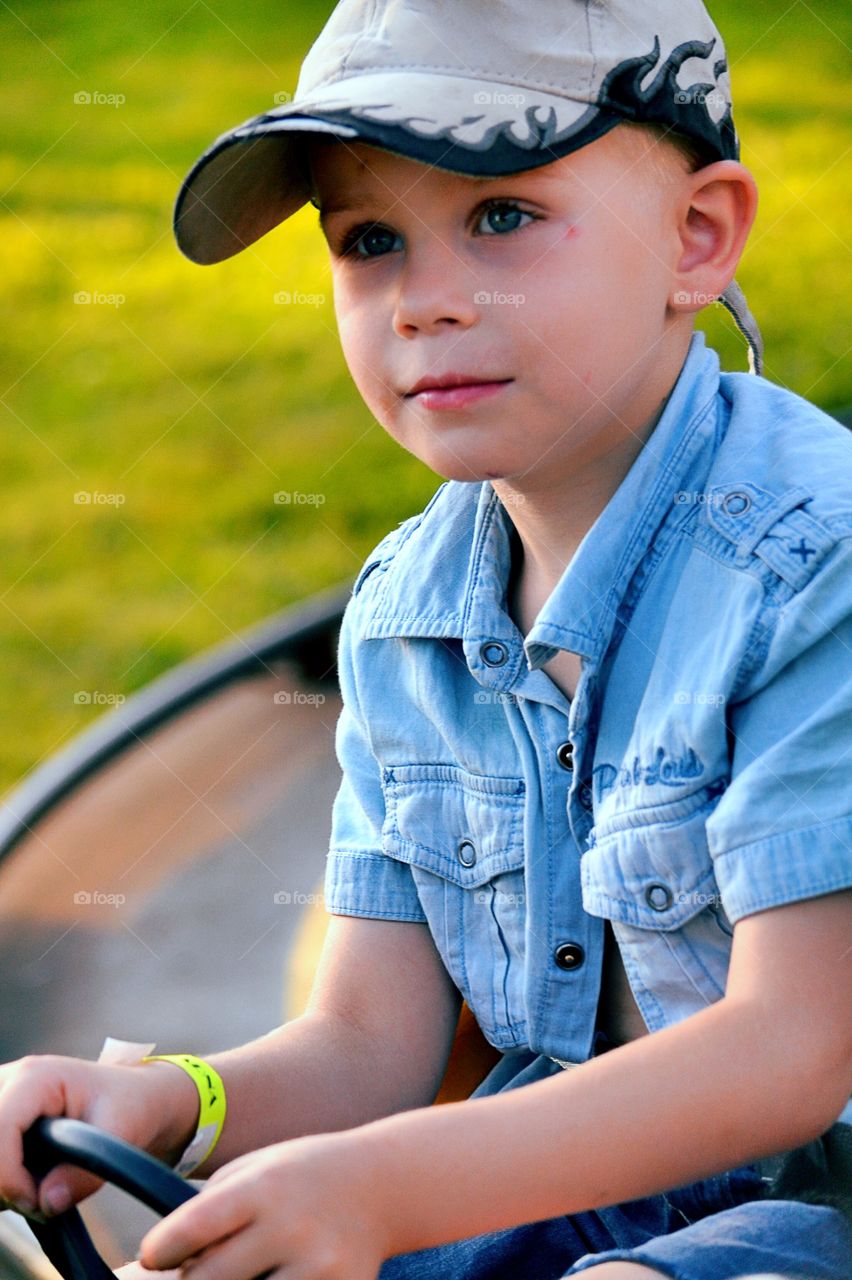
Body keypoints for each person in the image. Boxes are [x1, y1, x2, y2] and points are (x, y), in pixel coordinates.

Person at [2, 2, 851, 1278]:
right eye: (371, 240)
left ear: (698, 237)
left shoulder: (814, 561)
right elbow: (366, 1044)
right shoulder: (410, 615)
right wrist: (174, 1102)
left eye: (501, 217)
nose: (424, 302)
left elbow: (790, 1053)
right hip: (565, 1190)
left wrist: (378, 1190)